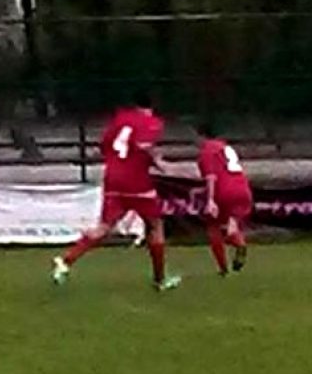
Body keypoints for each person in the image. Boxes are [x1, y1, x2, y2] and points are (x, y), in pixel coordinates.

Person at [52, 92, 181, 291]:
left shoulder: (120, 119)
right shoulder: (151, 122)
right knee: (156, 226)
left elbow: (104, 147)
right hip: (137, 182)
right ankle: (160, 279)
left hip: (113, 179)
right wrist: (159, 162)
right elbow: (143, 145)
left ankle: (66, 260)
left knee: (104, 227)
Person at [196, 124, 252, 275]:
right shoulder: (226, 148)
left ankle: (223, 268)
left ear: (202, 136)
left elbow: (211, 176)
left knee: (213, 227)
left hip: (224, 191)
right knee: (231, 227)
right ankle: (239, 243)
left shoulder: (207, 151)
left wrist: (210, 199)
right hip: (242, 188)